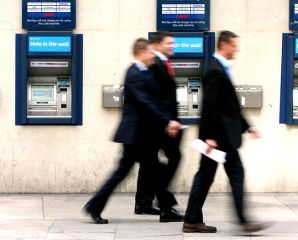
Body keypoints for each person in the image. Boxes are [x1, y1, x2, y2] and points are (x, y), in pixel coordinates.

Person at [83, 38, 180, 224]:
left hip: (143, 135)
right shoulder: (134, 73)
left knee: (154, 170)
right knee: (122, 173)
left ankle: (166, 209)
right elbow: (145, 102)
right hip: (135, 136)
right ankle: (94, 206)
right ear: (141, 53)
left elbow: (153, 100)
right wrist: (167, 121)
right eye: (150, 52)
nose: (153, 55)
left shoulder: (143, 72)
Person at [182, 31, 268, 233]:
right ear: (224, 45)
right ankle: (243, 220)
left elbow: (230, 106)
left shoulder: (220, 68)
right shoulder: (215, 70)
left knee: (205, 177)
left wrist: (248, 126)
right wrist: (210, 137)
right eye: (234, 45)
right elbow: (210, 106)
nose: (236, 49)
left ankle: (192, 219)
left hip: (221, 137)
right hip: (219, 138)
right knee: (230, 175)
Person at [134, 31, 184, 222]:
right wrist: (168, 121)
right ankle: (164, 201)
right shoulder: (155, 65)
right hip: (160, 125)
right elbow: (156, 98)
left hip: (162, 123)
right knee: (171, 158)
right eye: (169, 43)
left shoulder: (163, 64)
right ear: (156, 45)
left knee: (150, 163)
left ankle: (144, 202)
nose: (173, 46)